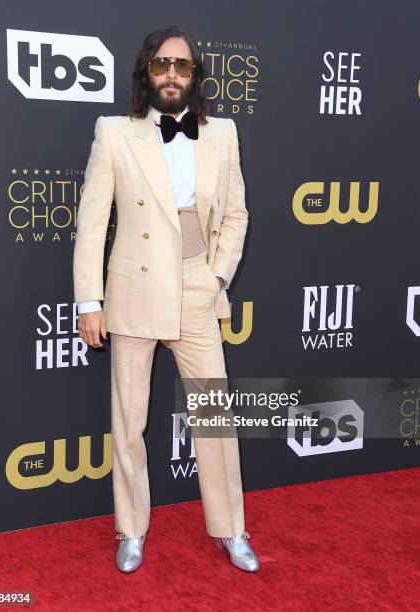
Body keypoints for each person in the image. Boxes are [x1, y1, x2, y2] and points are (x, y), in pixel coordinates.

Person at [73, 25, 259, 573]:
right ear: (146, 73)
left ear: (194, 75)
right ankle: (131, 531)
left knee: (215, 418)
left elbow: (237, 215)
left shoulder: (223, 133)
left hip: (196, 289)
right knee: (128, 421)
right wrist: (89, 302)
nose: (172, 74)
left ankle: (231, 529)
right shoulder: (113, 133)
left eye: (181, 65)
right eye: (161, 64)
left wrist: (217, 278)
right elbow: (90, 225)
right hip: (133, 290)